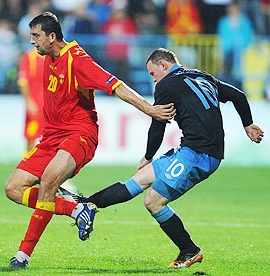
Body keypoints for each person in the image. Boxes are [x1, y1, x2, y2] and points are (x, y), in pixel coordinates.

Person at [4, 12, 175, 268]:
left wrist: (150, 109)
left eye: (35, 36)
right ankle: (76, 209)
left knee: (49, 182)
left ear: (52, 37)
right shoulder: (48, 58)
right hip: (50, 138)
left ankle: (22, 256)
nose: (32, 41)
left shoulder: (78, 60)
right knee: (13, 189)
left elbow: (116, 85)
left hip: (79, 134)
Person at [66, 48, 264, 269]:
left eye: (152, 73)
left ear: (163, 65)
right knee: (140, 180)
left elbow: (158, 124)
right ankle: (86, 204)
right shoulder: (202, 76)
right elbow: (238, 95)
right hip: (195, 150)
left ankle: (190, 250)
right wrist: (248, 124)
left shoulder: (166, 85)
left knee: (153, 201)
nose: (153, 79)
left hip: (198, 154)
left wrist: (148, 156)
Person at [17, 48, 45, 152]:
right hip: (36, 107)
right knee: (31, 137)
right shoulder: (30, 57)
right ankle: (27, 163)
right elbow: (23, 81)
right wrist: (29, 101)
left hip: (52, 107)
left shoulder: (55, 56)